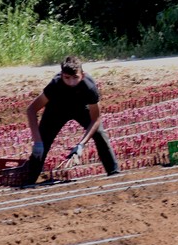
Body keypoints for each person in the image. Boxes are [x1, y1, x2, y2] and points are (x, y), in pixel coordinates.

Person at [22, 56, 119, 185]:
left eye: (75, 78)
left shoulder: (89, 87)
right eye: (67, 78)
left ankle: (114, 172)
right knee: (43, 144)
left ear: (82, 75)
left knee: (99, 133)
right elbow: (31, 109)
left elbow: (96, 119)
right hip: (56, 109)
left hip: (80, 108)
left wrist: (81, 145)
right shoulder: (55, 85)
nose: (71, 82)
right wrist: (37, 141)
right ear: (62, 75)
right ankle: (29, 180)